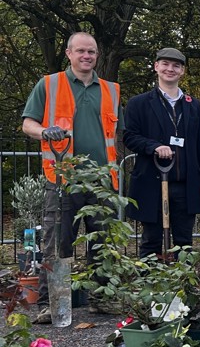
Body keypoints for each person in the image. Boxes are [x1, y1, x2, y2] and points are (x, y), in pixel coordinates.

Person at [21, 32, 124, 323]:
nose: (86, 56)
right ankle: (51, 303)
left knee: (102, 243)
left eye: (91, 51)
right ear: (69, 53)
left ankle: (100, 299)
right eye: (80, 51)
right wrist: (45, 131)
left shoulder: (111, 90)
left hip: (102, 180)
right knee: (57, 243)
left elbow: (117, 134)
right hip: (63, 178)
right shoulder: (49, 84)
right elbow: (28, 123)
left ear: (97, 55)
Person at [123, 48, 200, 258]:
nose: (170, 69)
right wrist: (153, 146)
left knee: (184, 241)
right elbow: (129, 137)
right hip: (152, 181)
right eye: (165, 64)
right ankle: (150, 277)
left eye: (176, 66)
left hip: (185, 184)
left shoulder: (193, 105)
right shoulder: (139, 103)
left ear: (182, 71)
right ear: (156, 67)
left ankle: (183, 277)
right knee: (151, 240)